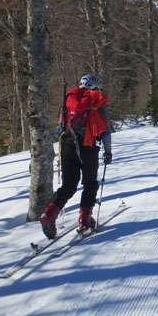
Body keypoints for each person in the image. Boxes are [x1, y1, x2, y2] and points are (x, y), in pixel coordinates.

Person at [39, 74, 113, 239]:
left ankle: (48, 214)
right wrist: (108, 152)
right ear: (96, 87)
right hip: (88, 147)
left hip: (67, 146)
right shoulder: (96, 102)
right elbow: (106, 131)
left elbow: (59, 129)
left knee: (69, 185)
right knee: (90, 183)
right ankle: (84, 220)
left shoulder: (69, 98)